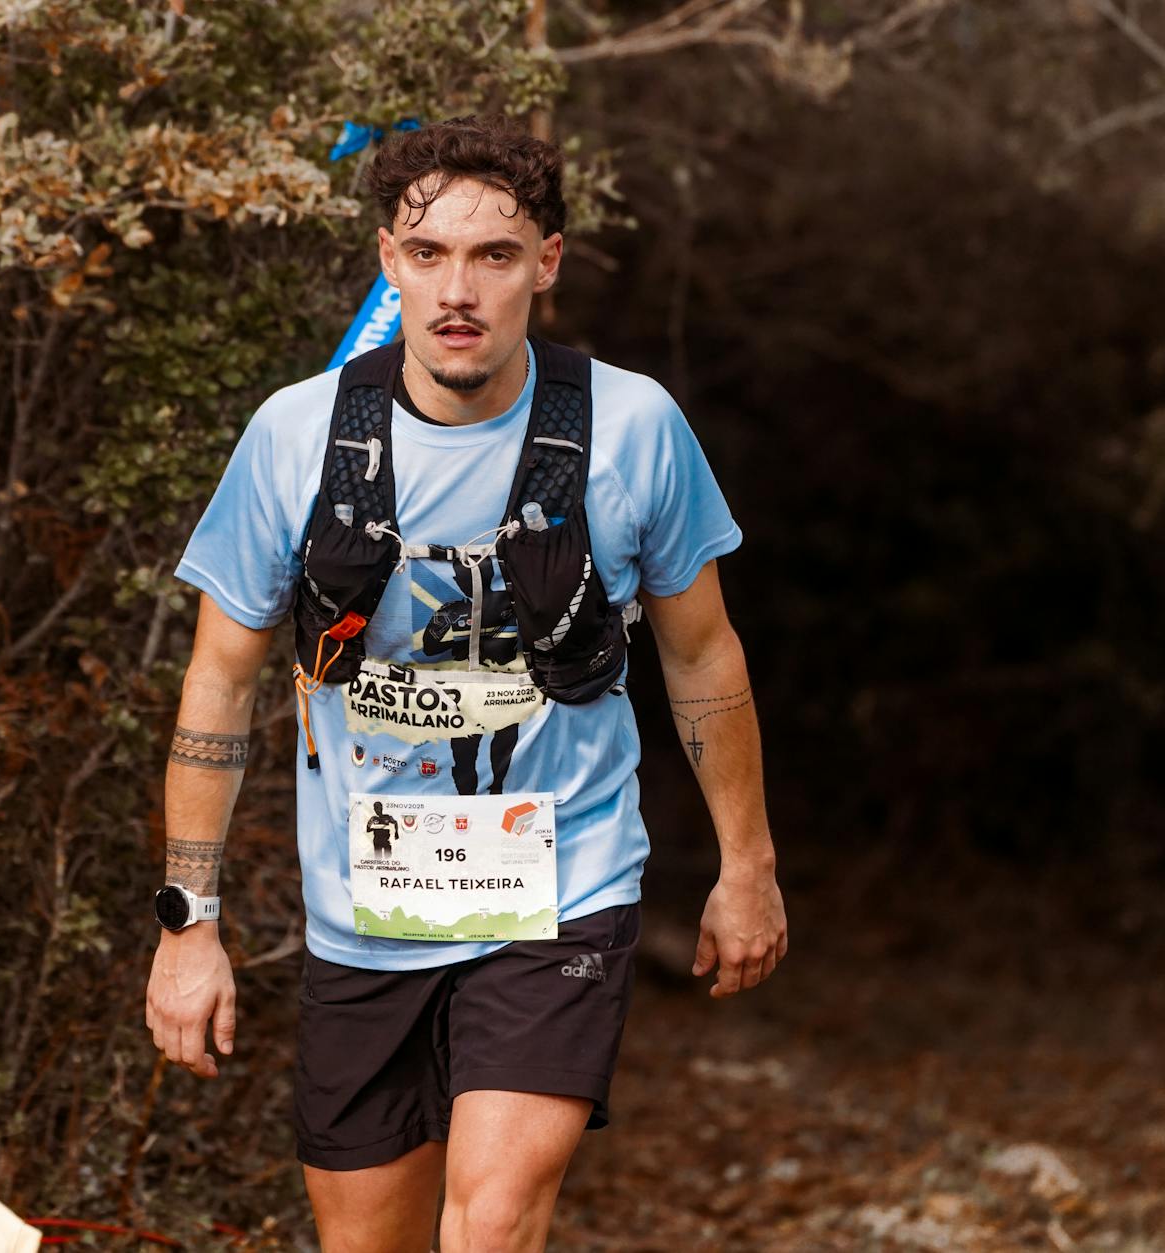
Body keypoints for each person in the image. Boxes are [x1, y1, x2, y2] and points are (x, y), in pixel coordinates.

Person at [144, 114, 786, 1253]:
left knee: (488, 1223)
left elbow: (700, 653)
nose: (458, 289)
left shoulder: (632, 427)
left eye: (494, 255)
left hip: (561, 889)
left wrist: (749, 864)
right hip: (366, 913)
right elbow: (218, 681)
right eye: (428, 253)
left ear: (546, 262)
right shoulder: (296, 437)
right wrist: (188, 924)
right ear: (387, 261)